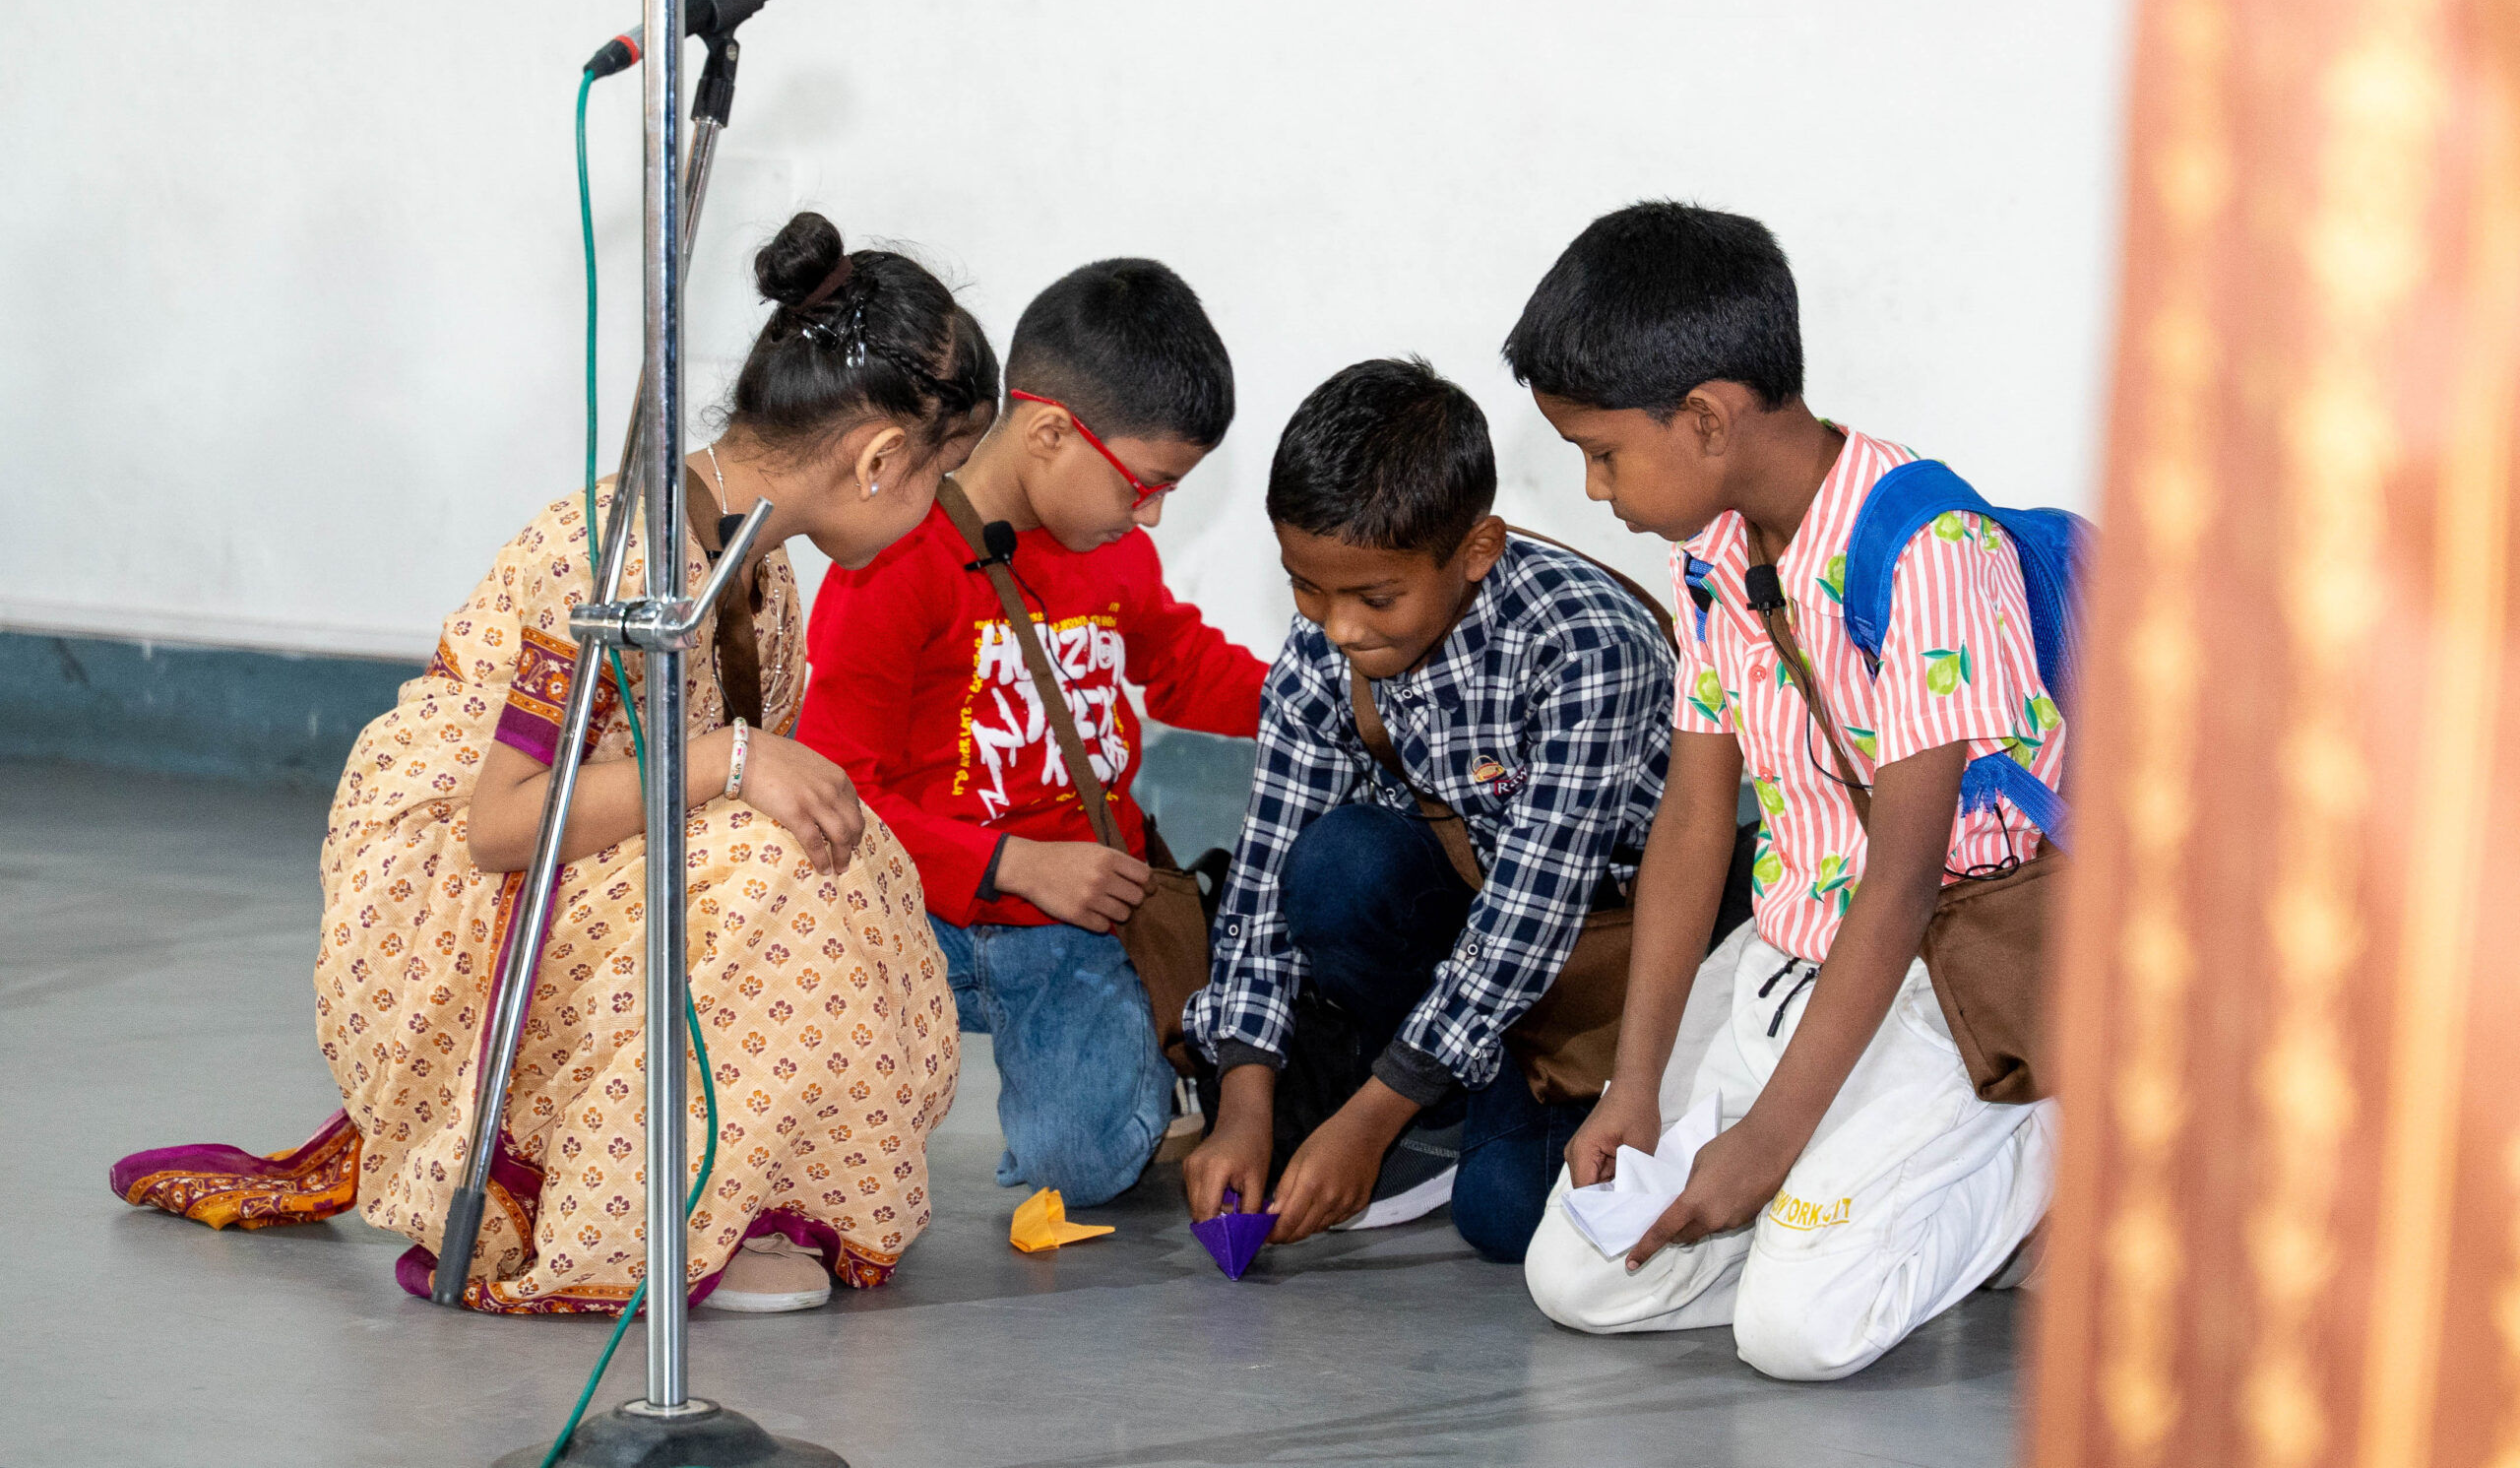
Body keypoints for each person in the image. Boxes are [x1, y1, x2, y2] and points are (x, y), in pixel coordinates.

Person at [111, 211, 998, 1315]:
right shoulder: (614, 551)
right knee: (766, 868)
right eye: (941, 473)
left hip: (584, 850)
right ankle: (632, 1214)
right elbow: (496, 826)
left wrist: (732, 768)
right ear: (878, 458)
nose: (938, 511)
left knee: (837, 853)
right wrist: (725, 759)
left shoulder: (761, 571)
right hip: (457, 891)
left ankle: (728, 1190)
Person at [1512, 202, 2061, 1378]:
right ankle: (1839, 1205)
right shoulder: (1712, 560)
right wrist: (1634, 1083)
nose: (1594, 487)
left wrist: (1768, 1140)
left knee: (1798, 1332)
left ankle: (2046, 1131)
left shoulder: (1927, 550)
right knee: (1576, 1277)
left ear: (1706, 418)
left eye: (1601, 452)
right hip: (1790, 959)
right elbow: (1692, 821)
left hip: (1947, 980)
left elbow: (1903, 882)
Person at [1182, 356, 1714, 1264]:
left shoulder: (1587, 647)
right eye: (1307, 586)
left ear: (1477, 552)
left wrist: (1369, 1117)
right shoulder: (1323, 652)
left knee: (1504, 1216)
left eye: (1374, 597)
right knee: (1337, 866)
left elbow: (1529, 919)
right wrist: (1242, 1100)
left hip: (1605, 970)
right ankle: (1449, 1097)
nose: (1338, 626)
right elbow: (1264, 883)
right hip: (1472, 961)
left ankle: (1446, 1101)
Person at [796, 258, 1266, 1208]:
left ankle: (1146, 1044)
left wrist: (1319, 697)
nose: (1152, 514)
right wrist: (1011, 863)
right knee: (818, 1112)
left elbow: (1183, 664)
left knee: (1084, 1165)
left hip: (1069, 924)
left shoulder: (1114, 551)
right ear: (1051, 432)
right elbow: (839, 787)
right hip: (914, 915)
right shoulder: (892, 558)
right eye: (1144, 485)